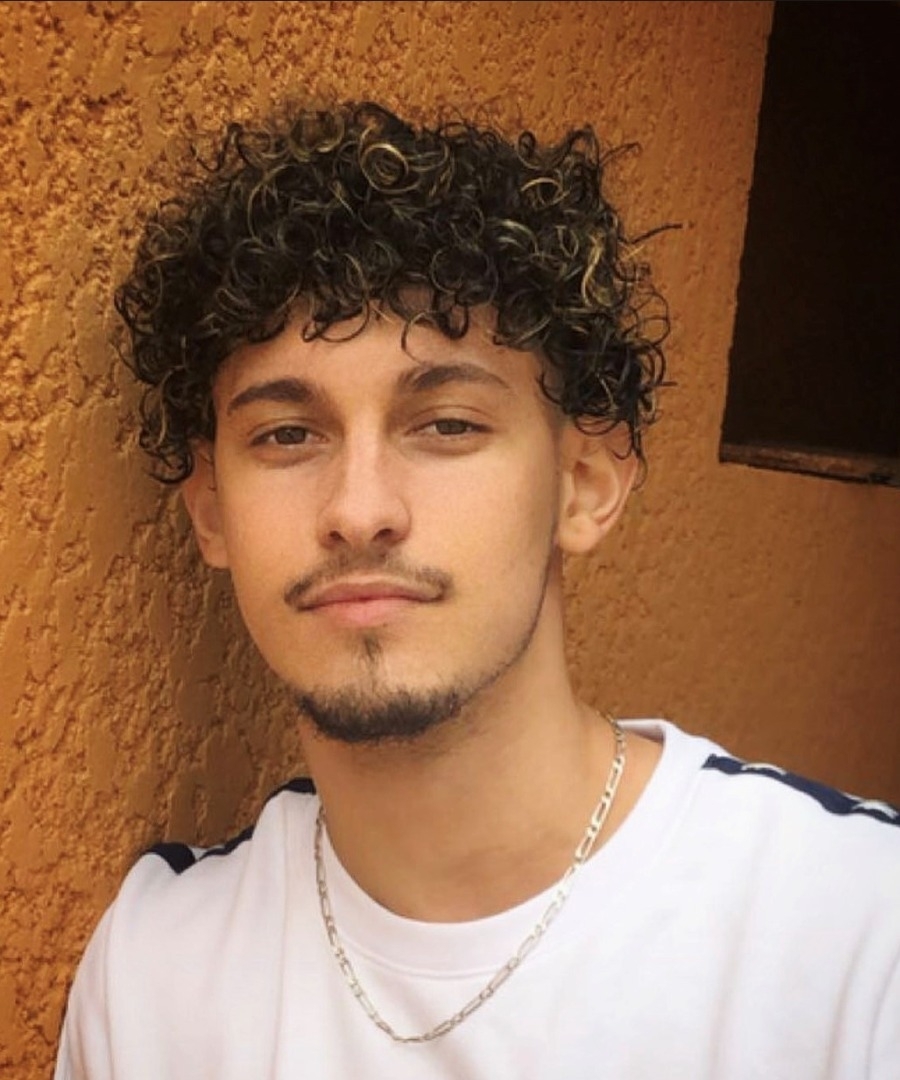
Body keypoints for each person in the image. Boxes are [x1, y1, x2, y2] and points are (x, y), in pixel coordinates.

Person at [55, 101, 899, 1080]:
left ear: (585, 484)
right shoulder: (154, 975)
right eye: (286, 435)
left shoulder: (856, 938)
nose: (359, 510)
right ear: (210, 512)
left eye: (447, 424)